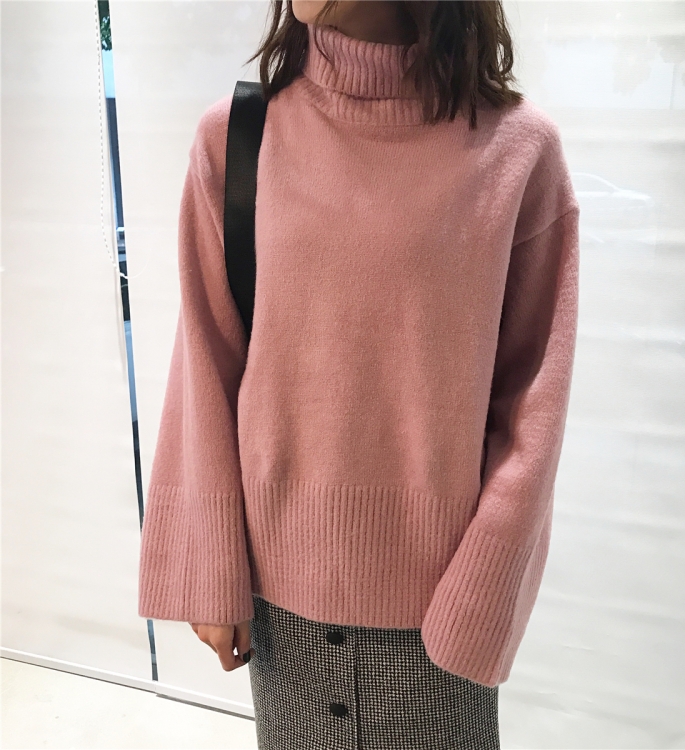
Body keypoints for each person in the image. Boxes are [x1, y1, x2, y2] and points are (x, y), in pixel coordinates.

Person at [137, 1, 580, 747]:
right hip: (281, 614)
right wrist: (210, 564)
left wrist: (484, 593)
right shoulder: (239, 138)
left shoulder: (517, 151)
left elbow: (534, 400)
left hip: (441, 617)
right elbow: (206, 360)